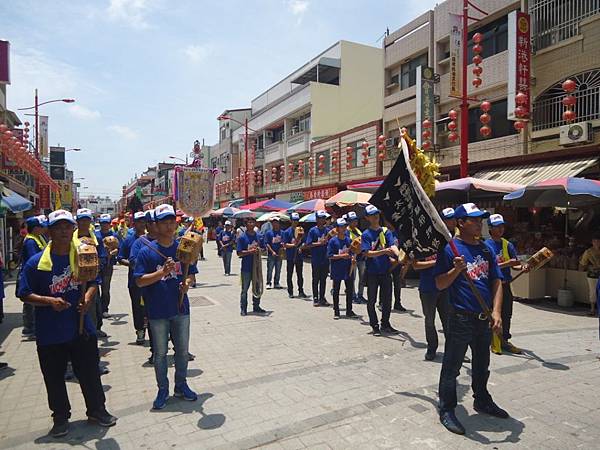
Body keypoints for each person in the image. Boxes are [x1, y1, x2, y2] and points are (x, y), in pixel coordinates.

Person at [18, 209, 117, 438]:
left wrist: (89, 297)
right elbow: (24, 293)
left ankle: (97, 410)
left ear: (73, 229)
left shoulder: (83, 255)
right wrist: (49, 300)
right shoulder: (36, 263)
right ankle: (60, 418)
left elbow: (94, 281)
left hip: (81, 328)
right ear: (50, 231)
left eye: (67, 226)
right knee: (54, 378)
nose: (63, 231)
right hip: (50, 333)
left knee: (90, 373)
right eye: (58, 227)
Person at [434, 203, 507, 435]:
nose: (479, 224)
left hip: (483, 319)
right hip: (460, 318)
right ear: (460, 223)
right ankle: (447, 408)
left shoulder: (486, 250)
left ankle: (482, 399)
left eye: (480, 220)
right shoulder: (450, 249)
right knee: (452, 367)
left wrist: (496, 312)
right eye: (474, 220)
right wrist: (456, 270)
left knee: (481, 364)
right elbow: (439, 283)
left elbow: (496, 281)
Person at [134, 204, 199, 410]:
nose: (169, 225)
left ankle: (181, 385)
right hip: (158, 311)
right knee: (160, 354)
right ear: (156, 225)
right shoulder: (146, 251)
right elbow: (139, 281)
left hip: (181, 309)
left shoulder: (184, 246)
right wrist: (161, 273)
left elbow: (191, 274)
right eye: (164, 222)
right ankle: (163, 389)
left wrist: (187, 284)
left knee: (182, 351)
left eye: (172, 221)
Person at [485, 214, 523, 354]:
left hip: (506, 285)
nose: (501, 229)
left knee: (507, 314)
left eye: (502, 226)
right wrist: (508, 263)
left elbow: (515, 265)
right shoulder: (486, 246)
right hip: (493, 285)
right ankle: (491, 340)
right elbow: (489, 267)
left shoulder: (508, 244)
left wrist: (523, 268)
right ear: (490, 228)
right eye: (497, 226)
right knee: (492, 313)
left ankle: (504, 339)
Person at [361, 205, 401, 336]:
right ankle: (375, 325)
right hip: (372, 272)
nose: (375, 216)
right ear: (367, 218)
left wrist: (398, 255)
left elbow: (393, 246)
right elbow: (367, 253)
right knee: (371, 300)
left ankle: (385, 323)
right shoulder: (366, 234)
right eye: (372, 215)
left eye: (376, 214)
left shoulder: (385, 232)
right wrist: (384, 251)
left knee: (387, 299)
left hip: (385, 271)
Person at [75, 209, 107, 339]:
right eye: (81, 220)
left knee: (94, 307)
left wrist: (97, 266)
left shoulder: (96, 237)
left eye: (87, 220)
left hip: (92, 279)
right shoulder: (72, 237)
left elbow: (102, 255)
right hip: (75, 279)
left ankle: (93, 332)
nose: (84, 223)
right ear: (77, 221)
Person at [117, 212, 147, 344]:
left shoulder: (152, 239)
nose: (142, 223)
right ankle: (140, 331)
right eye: (139, 221)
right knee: (137, 307)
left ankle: (157, 332)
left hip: (151, 280)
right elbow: (120, 258)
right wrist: (133, 264)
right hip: (135, 282)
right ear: (134, 223)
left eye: (144, 221)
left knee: (151, 307)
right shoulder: (128, 240)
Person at [19, 216, 48, 337]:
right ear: (35, 228)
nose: (43, 228)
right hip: (32, 275)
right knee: (30, 303)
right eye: (41, 226)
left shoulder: (38, 238)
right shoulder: (31, 241)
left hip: (37, 274)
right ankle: (29, 328)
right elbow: (34, 259)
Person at [327, 218, 358, 319]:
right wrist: (341, 256)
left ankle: (349, 310)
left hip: (348, 268)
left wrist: (353, 258)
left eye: (345, 226)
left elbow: (352, 252)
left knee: (349, 290)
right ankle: (336, 311)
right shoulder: (333, 241)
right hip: (337, 268)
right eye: (341, 226)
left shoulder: (348, 240)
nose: (344, 228)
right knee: (336, 290)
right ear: (337, 228)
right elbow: (330, 255)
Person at [237, 217, 266, 316]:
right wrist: (250, 251)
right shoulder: (242, 237)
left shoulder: (258, 236)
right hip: (246, 267)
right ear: (246, 224)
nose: (251, 224)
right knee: (245, 289)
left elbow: (263, 248)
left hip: (256, 267)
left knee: (257, 287)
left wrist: (260, 250)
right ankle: (243, 308)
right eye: (249, 222)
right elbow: (239, 253)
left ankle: (256, 306)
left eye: (253, 222)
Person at [306, 210, 331, 307]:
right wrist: (319, 243)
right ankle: (315, 297)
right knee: (316, 279)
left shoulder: (328, 230)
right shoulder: (313, 230)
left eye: (323, 218)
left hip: (325, 259)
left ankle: (322, 297)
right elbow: (308, 244)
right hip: (316, 258)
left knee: (323, 279)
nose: (322, 220)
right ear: (316, 219)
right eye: (320, 218)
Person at [96, 214, 119, 319]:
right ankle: (97, 310)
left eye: (106, 223)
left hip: (108, 264)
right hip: (96, 264)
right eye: (102, 223)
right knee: (95, 288)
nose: (104, 225)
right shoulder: (95, 235)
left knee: (105, 288)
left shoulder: (114, 235)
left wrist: (114, 252)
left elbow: (119, 248)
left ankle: (104, 309)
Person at [283, 213, 308, 299]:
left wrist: (302, 246)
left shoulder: (301, 230)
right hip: (290, 256)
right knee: (289, 274)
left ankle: (301, 291)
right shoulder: (287, 232)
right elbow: (285, 244)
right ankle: (290, 291)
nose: (295, 222)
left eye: (297, 220)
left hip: (299, 256)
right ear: (291, 220)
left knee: (300, 274)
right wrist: (293, 245)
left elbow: (305, 242)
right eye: (294, 220)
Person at [346, 212, 366, 304]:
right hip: (352, 258)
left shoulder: (359, 231)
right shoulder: (346, 232)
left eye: (356, 220)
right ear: (349, 221)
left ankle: (360, 295)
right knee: (352, 277)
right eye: (353, 221)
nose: (355, 222)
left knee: (362, 277)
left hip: (361, 258)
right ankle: (352, 295)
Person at [579, 233, 600, 316]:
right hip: (592, 274)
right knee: (593, 291)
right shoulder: (588, 252)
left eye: (598, 241)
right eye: (595, 241)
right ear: (592, 242)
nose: (597, 243)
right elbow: (583, 262)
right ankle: (592, 309)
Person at [265, 217, 284, 289]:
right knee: (270, 269)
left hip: (279, 254)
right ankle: (268, 282)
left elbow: (284, 242)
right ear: (272, 224)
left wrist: (282, 248)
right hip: (271, 254)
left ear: (279, 224)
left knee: (278, 269)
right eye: (274, 222)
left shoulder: (282, 232)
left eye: (277, 222)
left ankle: (276, 282)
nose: (275, 224)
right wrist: (272, 251)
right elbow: (267, 243)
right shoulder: (269, 233)